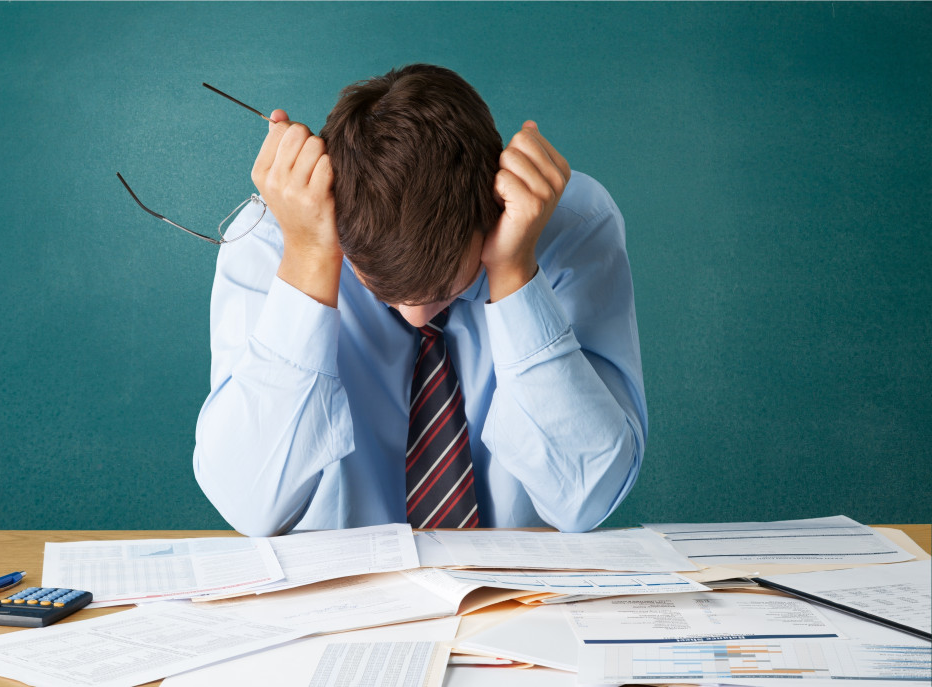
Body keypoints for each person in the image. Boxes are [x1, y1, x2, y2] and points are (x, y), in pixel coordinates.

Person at [193, 64, 647, 537]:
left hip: (517, 597)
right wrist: (309, 261)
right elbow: (248, 506)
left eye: (446, 290)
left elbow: (590, 498)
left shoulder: (571, 224)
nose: (417, 314)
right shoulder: (269, 240)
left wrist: (514, 272)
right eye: (381, 288)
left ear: (492, 211)